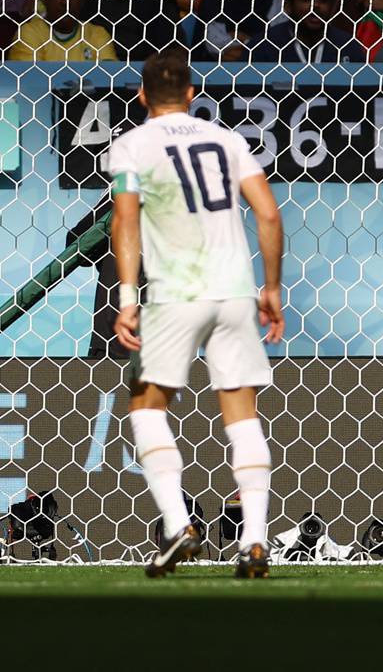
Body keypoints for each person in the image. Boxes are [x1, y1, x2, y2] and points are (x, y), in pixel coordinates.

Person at [109, 48, 285, 578]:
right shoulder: (228, 140)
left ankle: (179, 522)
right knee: (242, 413)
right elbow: (269, 213)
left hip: (175, 295)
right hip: (234, 292)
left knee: (145, 406)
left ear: (141, 96)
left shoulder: (132, 146)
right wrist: (270, 288)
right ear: (191, 94)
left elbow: (125, 219)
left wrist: (127, 297)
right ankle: (254, 539)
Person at [11, 0, 118, 61]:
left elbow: (108, 77)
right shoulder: (29, 33)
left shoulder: (97, 34)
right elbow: (33, 79)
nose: (65, 1)